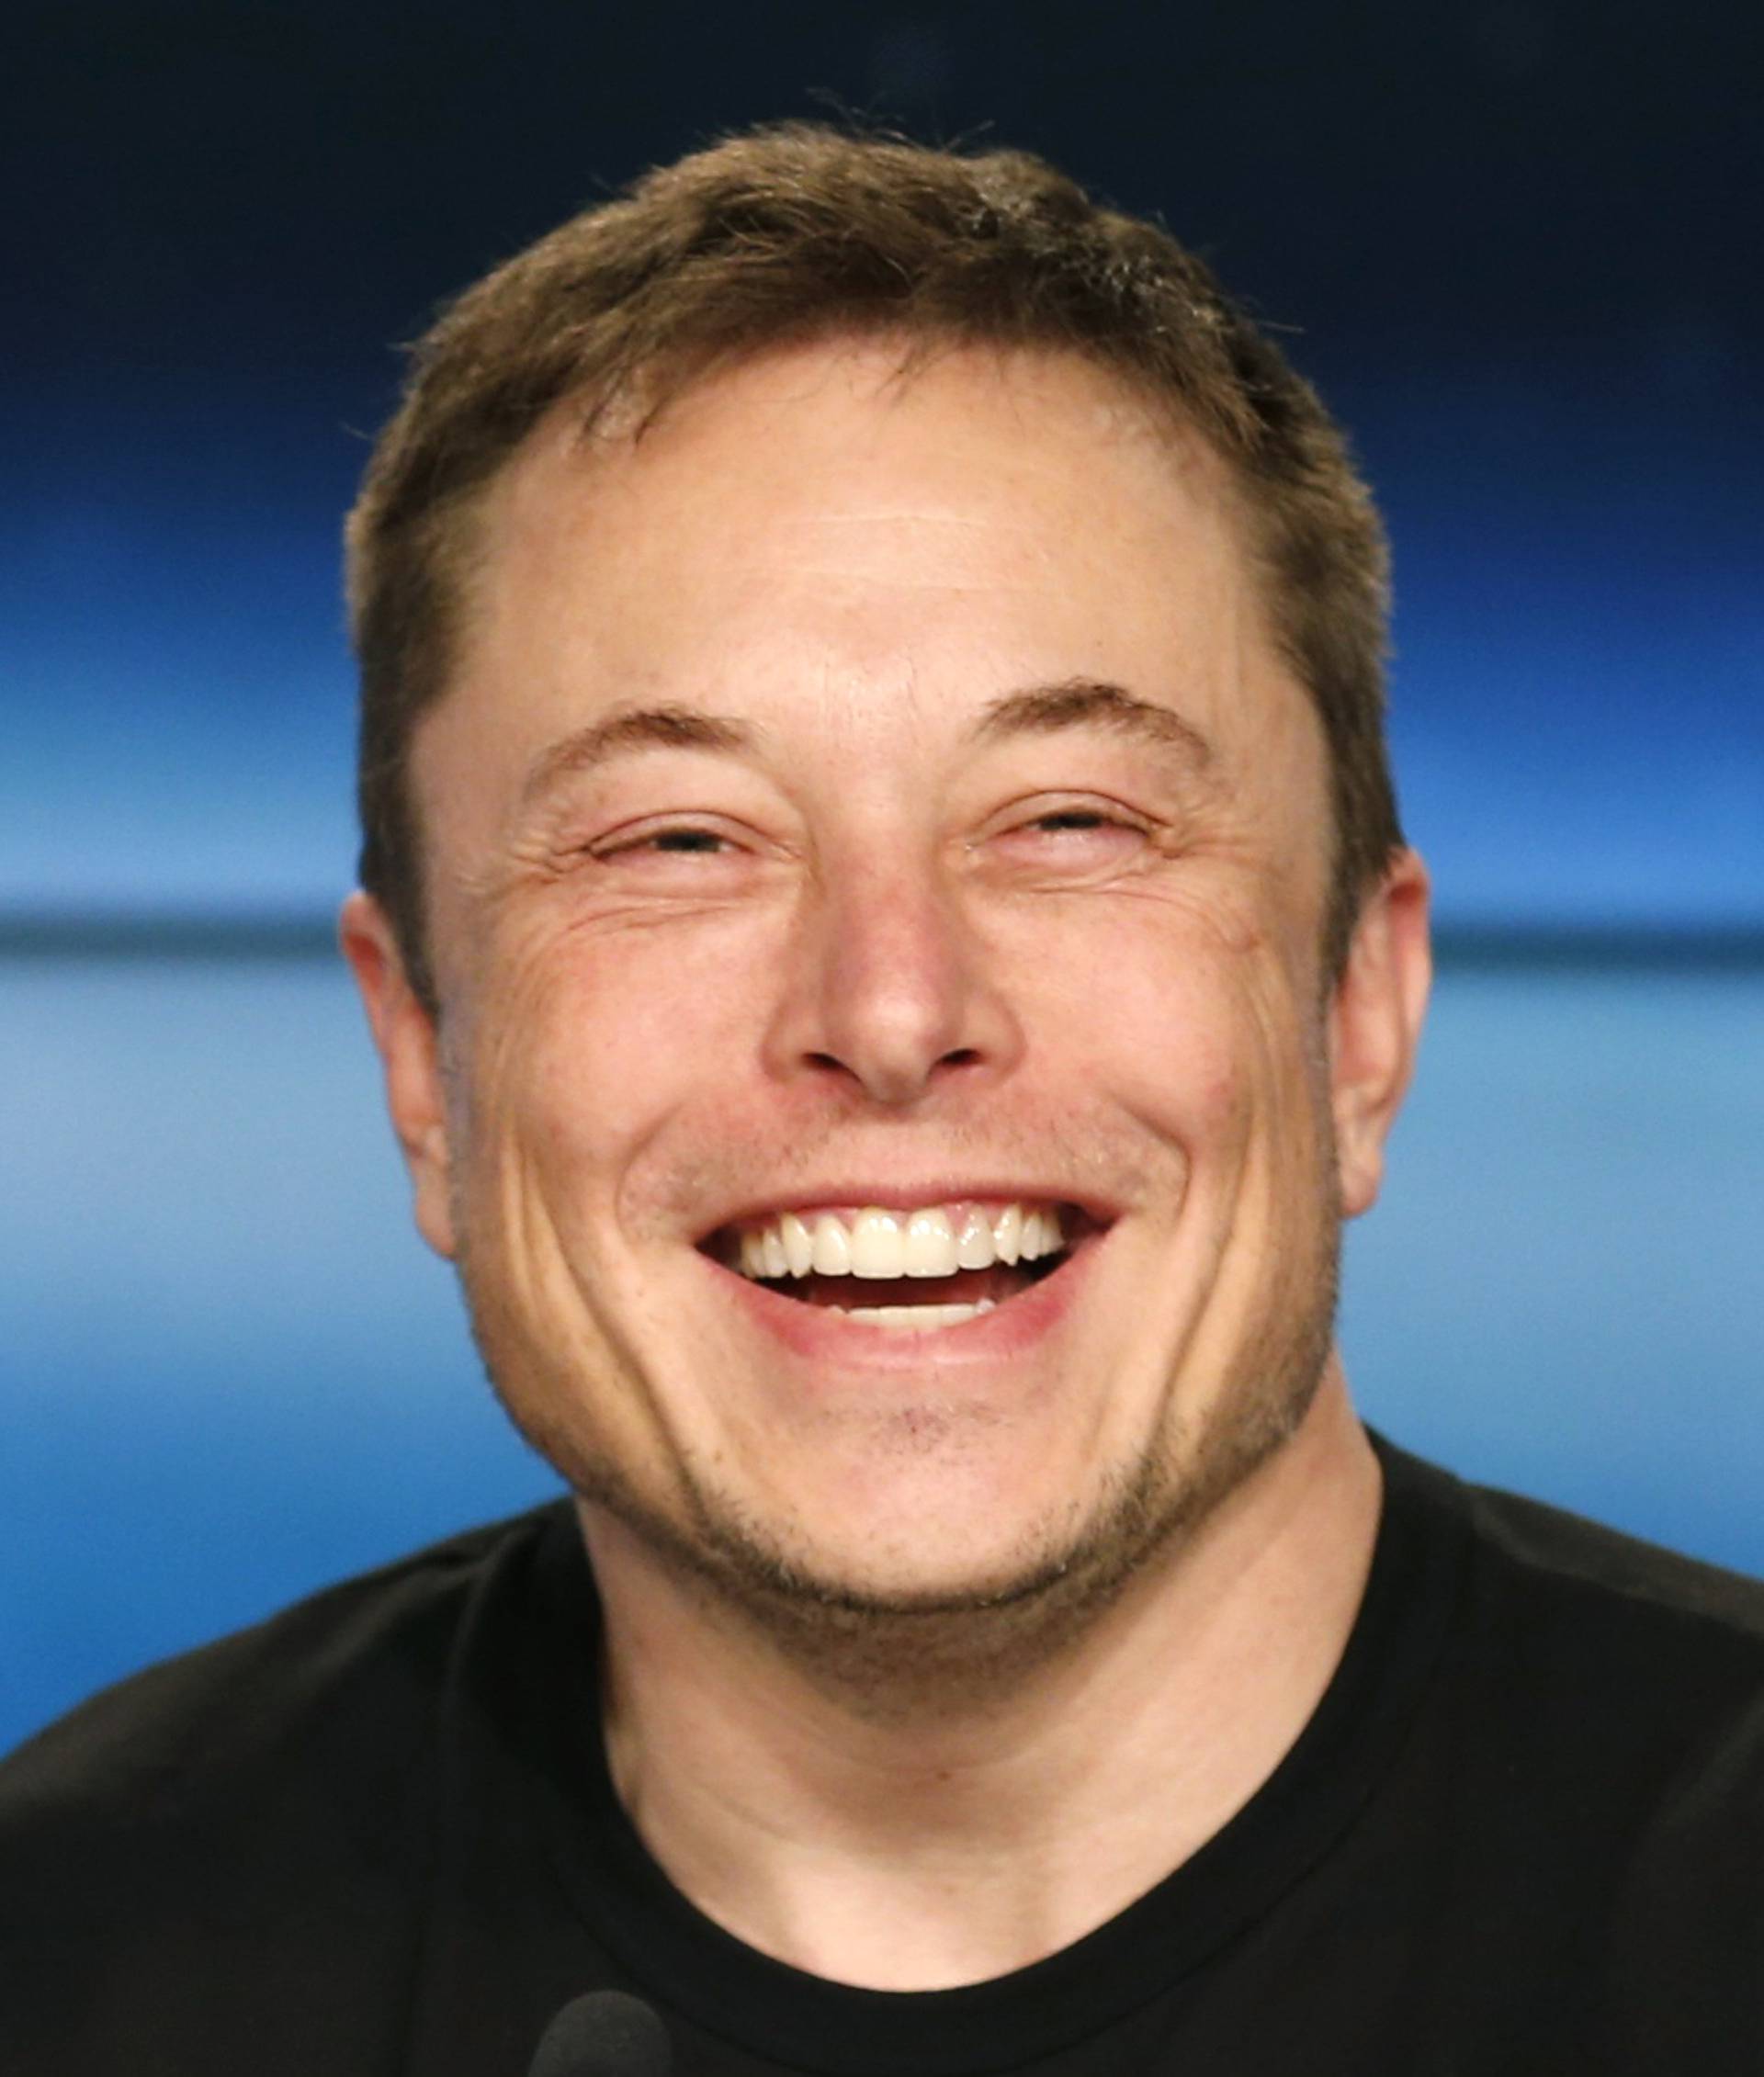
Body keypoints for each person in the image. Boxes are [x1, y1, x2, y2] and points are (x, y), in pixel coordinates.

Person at [2, 123, 1760, 2077]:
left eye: (1072, 820)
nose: (893, 1005)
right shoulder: (74, 1954)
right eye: (678, 840)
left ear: (1362, 1012)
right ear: (424, 1061)